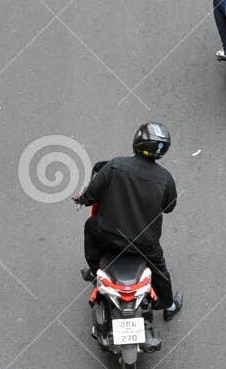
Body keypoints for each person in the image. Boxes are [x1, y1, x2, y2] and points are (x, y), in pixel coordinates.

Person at [75, 124, 181, 317]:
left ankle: (94, 270)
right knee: (160, 271)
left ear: (137, 142)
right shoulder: (165, 178)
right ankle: (169, 306)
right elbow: (169, 207)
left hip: (108, 236)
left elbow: (92, 193)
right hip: (145, 244)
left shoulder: (115, 165)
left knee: (90, 226)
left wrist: (82, 199)